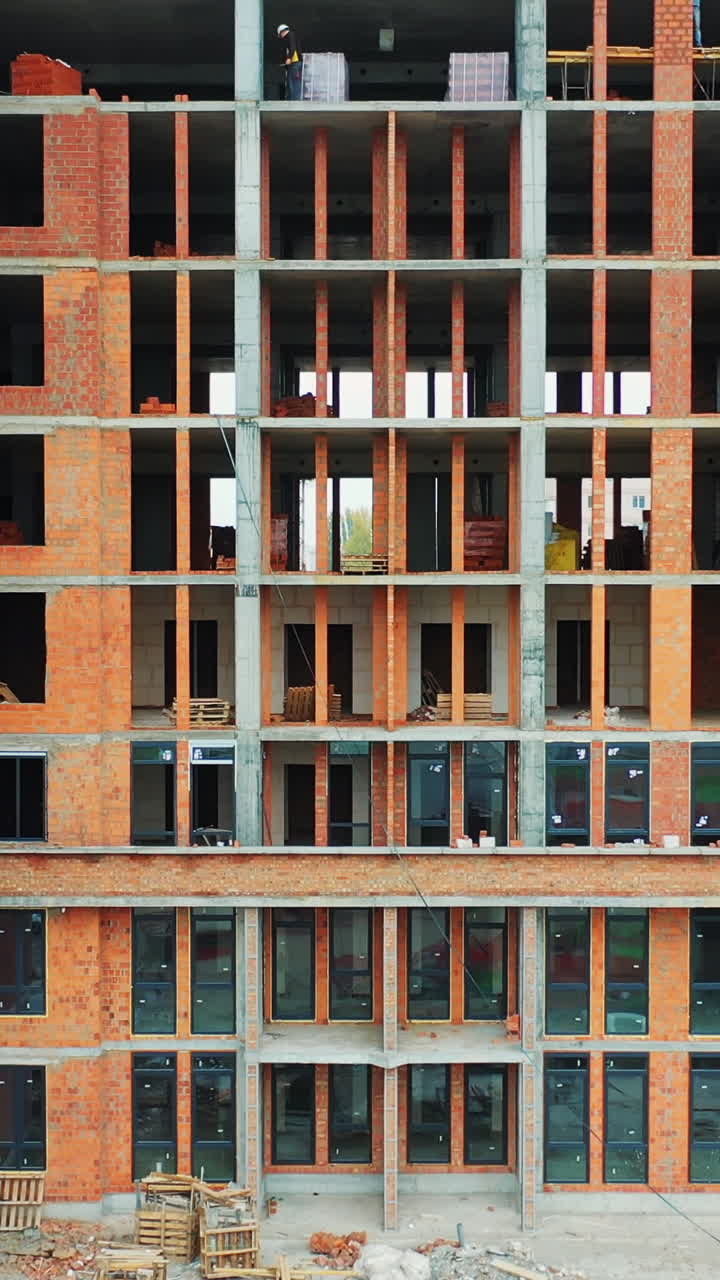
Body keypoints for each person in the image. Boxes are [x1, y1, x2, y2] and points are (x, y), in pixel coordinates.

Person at [278, 23, 303, 100]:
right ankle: (291, 101)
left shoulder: (290, 35)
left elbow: (292, 48)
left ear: (282, 32)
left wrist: (289, 58)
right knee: (291, 83)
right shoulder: (291, 36)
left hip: (295, 63)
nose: (281, 37)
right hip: (293, 64)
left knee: (294, 84)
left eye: (280, 34)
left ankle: (294, 102)